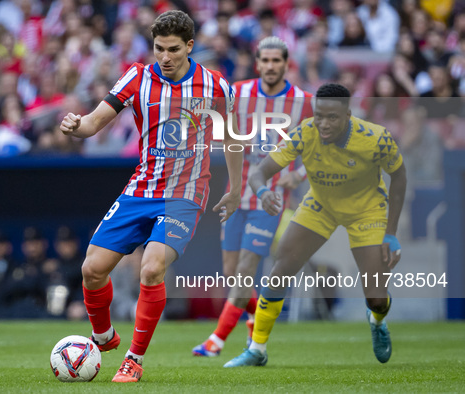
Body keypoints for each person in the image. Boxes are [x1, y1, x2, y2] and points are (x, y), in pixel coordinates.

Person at [59, 10, 243, 383]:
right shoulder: (137, 78)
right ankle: (103, 336)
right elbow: (94, 122)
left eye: (174, 49)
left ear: (190, 46)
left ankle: (134, 359)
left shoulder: (216, 85)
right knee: (92, 271)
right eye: (159, 48)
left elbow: (235, 141)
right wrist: (76, 126)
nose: (165, 57)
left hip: (185, 194)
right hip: (141, 189)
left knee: (152, 267)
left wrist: (236, 188)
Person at [225, 83, 406, 367]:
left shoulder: (375, 138)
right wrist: (263, 192)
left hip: (366, 210)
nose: (323, 123)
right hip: (321, 205)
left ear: (348, 114)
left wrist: (391, 234)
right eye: (319, 115)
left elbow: (400, 177)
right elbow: (260, 172)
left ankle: (377, 320)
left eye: (332, 117)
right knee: (280, 271)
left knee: (376, 297)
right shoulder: (305, 132)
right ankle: (257, 349)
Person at [192, 36, 312, 357]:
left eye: (277, 61)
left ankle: (215, 341)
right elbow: (222, 133)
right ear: (257, 63)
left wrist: (297, 175)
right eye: (266, 60)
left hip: (270, 199)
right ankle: (252, 324)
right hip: (236, 194)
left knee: (245, 270)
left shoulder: (303, 101)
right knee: (232, 274)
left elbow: (322, 149)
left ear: (286, 64)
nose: (271, 66)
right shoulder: (239, 94)